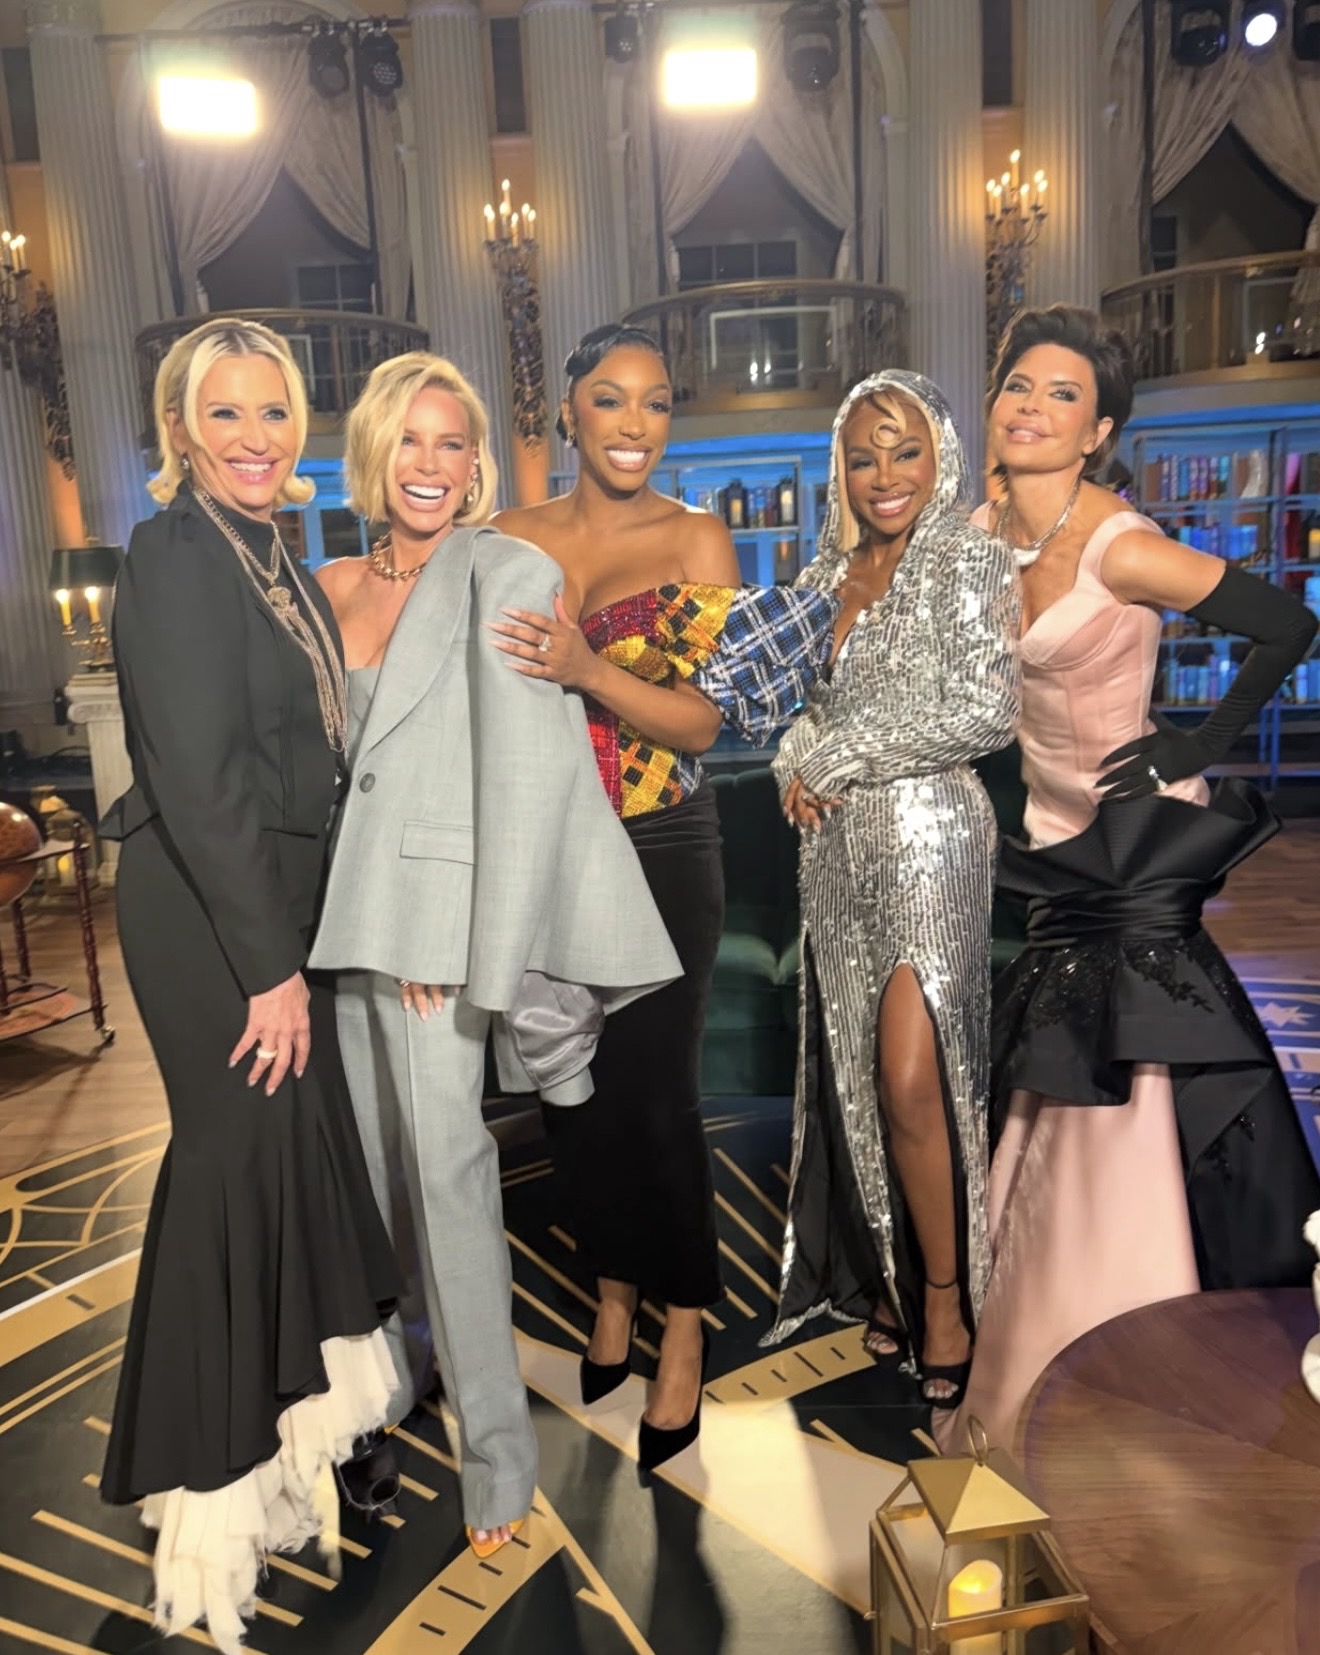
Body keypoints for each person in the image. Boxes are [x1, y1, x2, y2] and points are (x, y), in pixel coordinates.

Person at [307, 351, 680, 1551]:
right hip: (331, 930)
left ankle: (499, 1460)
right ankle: (392, 1379)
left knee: (450, 1184)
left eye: (453, 441)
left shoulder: (506, 572)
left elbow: (526, 784)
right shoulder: (323, 586)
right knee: (372, 1188)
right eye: (410, 439)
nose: (431, 463)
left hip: (431, 941)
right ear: (374, 451)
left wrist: (476, 946)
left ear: (476, 462)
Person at [941, 304, 1320, 1451]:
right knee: (1056, 1068)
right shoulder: (977, 533)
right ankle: (1033, 1318)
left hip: (1139, 839)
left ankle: (1120, 1340)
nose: (1032, 407)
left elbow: (1287, 623)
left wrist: (1197, 743)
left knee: (1120, 1072)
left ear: (1098, 429)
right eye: (1018, 384)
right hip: (1054, 840)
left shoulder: (1123, 546)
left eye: (1062, 394)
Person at [100, 319, 399, 1654]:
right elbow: (202, 781)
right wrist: (271, 968)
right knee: (234, 1171)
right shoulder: (173, 553)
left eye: (273, 411)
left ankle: (288, 1451)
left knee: (287, 1165)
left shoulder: (269, 547)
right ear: (180, 428)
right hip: (212, 916)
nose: (254, 437)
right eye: (223, 413)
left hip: (276, 904)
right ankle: (212, 1492)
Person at [489, 323, 833, 1469]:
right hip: (547, 845)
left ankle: (684, 1317)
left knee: (656, 1094)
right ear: (569, 414)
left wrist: (586, 667)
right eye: (610, 398)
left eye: (655, 402)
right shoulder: (507, 537)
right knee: (572, 1095)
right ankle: (613, 1287)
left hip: (661, 843)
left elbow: (701, 725)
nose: (634, 423)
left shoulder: (696, 536)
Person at [761, 371, 1020, 1409]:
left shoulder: (968, 555)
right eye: (863, 456)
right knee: (859, 1076)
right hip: (834, 847)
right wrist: (795, 758)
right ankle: (892, 1265)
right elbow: (801, 709)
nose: (884, 474)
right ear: (840, 466)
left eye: (904, 450)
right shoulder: (822, 571)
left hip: (932, 836)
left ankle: (946, 1297)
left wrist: (849, 750)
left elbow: (988, 709)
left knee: (913, 1075)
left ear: (939, 452)